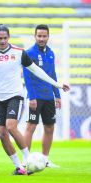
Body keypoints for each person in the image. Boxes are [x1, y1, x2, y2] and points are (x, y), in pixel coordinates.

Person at [0, 24, 69, 175]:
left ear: (9, 38)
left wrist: (57, 85)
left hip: (16, 95)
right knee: (1, 133)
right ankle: (19, 166)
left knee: (11, 126)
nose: (2, 41)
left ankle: (28, 160)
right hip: (0, 98)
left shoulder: (19, 53)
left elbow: (37, 71)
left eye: (5, 38)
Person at [23, 24, 62, 168]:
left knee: (49, 127)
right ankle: (25, 160)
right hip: (36, 97)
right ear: (35, 36)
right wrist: (31, 97)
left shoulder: (51, 53)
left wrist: (57, 95)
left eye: (44, 36)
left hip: (48, 97)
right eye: (39, 36)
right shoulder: (29, 53)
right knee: (31, 127)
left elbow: (52, 75)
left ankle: (45, 159)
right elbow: (27, 77)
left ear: (48, 37)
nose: (41, 38)